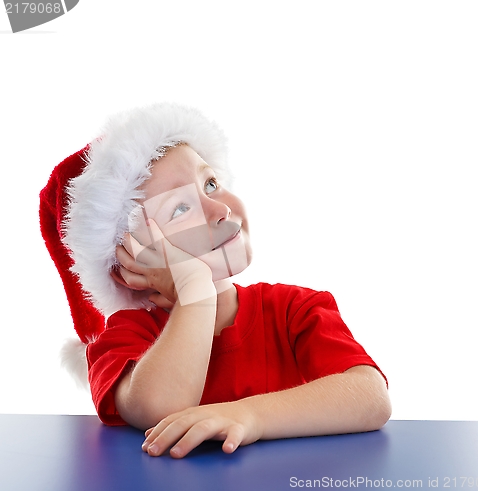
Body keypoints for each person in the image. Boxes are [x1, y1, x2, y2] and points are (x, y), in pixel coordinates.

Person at [40, 102, 391, 459]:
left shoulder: (295, 309)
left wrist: (247, 415)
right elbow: (160, 406)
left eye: (210, 184)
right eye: (180, 208)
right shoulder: (124, 338)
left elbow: (371, 397)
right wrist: (195, 290)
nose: (220, 209)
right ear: (130, 263)